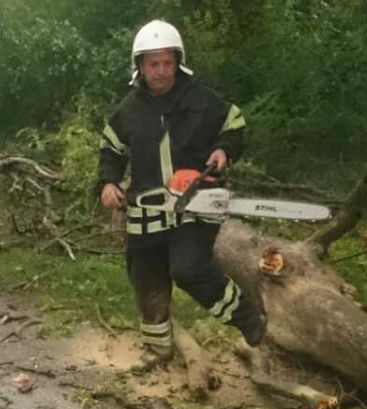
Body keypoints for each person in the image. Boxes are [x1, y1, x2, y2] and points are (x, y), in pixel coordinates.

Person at [98, 20, 266, 366]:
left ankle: (249, 318)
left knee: (188, 268)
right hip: (147, 210)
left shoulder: (201, 99)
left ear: (178, 62)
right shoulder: (128, 111)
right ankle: (158, 349)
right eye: (153, 64)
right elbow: (110, 150)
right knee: (147, 280)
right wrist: (107, 182)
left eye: (167, 63)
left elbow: (234, 124)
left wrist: (224, 150)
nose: (161, 71)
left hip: (196, 204)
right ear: (140, 67)